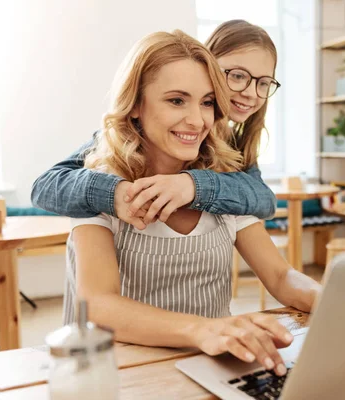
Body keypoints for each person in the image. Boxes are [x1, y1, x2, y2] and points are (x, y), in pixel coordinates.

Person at [66, 29, 321, 377]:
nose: (198, 120)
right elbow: (98, 304)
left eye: (206, 102)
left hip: (215, 366)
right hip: (118, 373)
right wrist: (202, 329)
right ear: (136, 105)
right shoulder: (99, 185)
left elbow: (279, 275)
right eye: (176, 100)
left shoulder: (224, 181)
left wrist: (323, 298)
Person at [31, 20, 282, 229]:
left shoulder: (232, 142)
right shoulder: (131, 133)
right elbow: (46, 186)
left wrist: (194, 185)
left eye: (263, 83)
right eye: (237, 76)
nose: (251, 93)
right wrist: (114, 193)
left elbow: (265, 200)